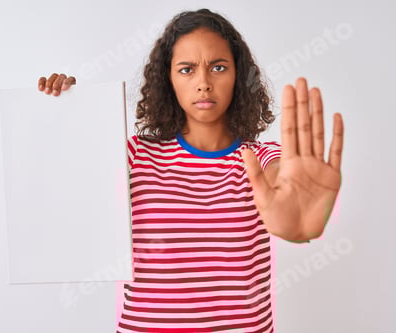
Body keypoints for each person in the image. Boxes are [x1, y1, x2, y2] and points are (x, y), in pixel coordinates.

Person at [38, 8, 344, 333]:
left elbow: (281, 181)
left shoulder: (262, 159)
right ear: (168, 80)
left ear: (238, 77)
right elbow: (66, 191)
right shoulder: (135, 155)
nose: (203, 83)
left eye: (218, 67)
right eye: (187, 69)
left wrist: (294, 218)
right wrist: (67, 111)